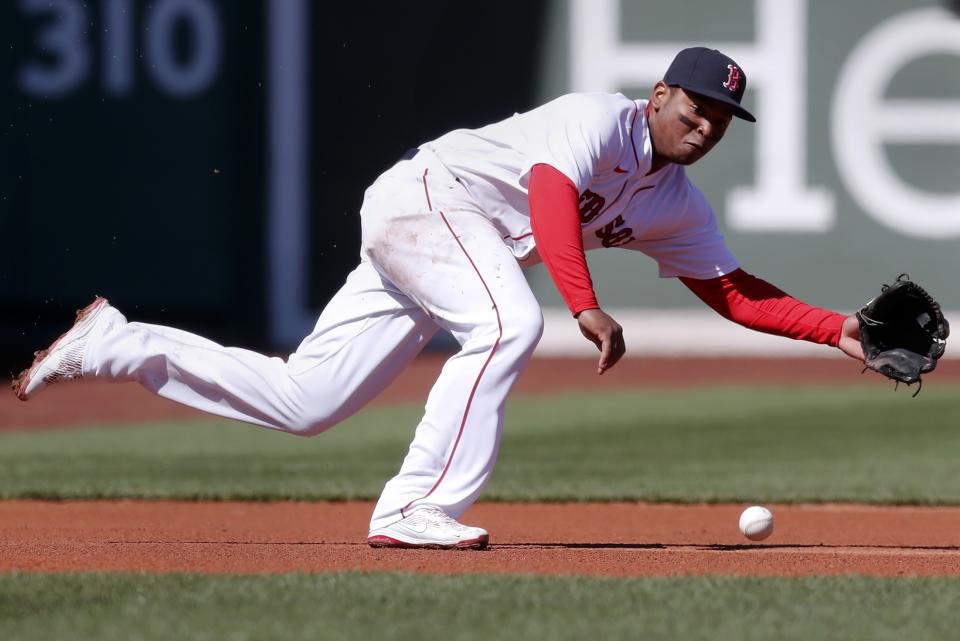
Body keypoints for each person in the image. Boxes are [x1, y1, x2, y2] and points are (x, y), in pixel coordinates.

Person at [13, 47, 864, 550]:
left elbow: (732, 291)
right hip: (427, 200)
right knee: (510, 322)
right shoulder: (597, 119)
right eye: (701, 106)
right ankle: (418, 503)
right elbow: (546, 194)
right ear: (660, 96)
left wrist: (841, 330)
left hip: (449, 242)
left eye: (723, 118)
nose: (708, 126)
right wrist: (585, 302)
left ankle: (114, 342)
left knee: (306, 399)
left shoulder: (675, 199)